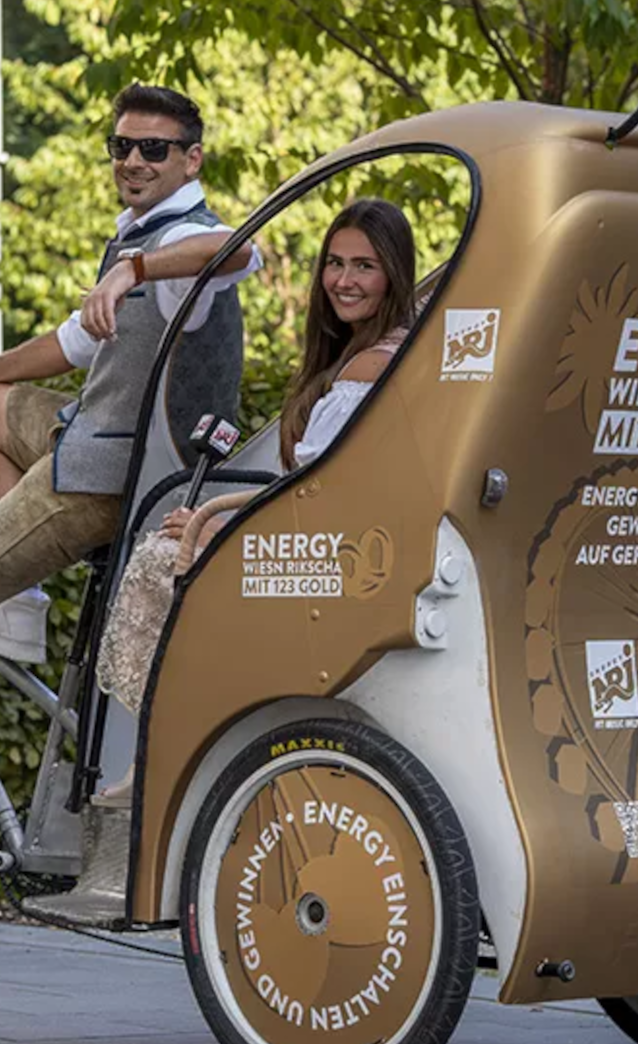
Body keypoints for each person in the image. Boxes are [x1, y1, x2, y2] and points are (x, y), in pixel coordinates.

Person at [0, 85, 261, 855]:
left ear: (192, 160)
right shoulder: (140, 235)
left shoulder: (184, 241)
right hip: (90, 438)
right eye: (122, 146)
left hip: (109, 477)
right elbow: (73, 344)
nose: (133, 161)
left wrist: (131, 271)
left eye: (153, 149)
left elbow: (239, 249)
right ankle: (18, 602)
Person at [90, 197, 417, 803]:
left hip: (331, 558)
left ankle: (165, 751)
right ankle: (172, 746)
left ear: (395, 274)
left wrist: (222, 528)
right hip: (345, 543)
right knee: (182, 538)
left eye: (365, 266)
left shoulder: (367, 369)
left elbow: (320, 494)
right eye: (336, 263)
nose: (344, 281)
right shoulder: (390, 354)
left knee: (163, 558)